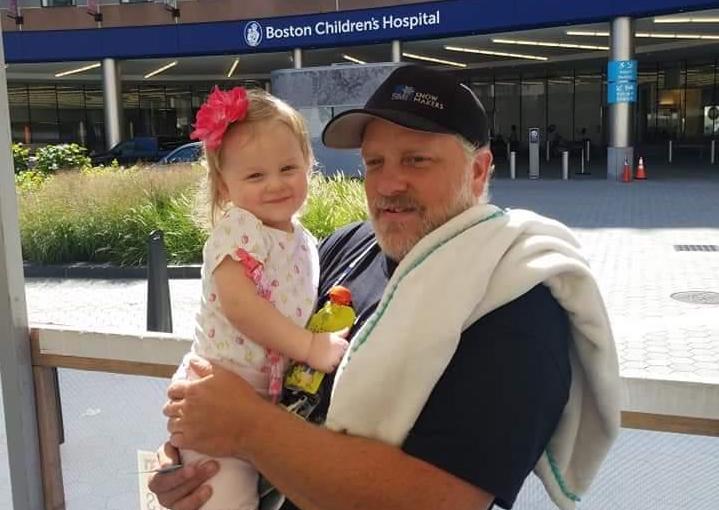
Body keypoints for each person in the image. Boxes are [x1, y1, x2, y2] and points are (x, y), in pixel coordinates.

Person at [151, 66, 620, 510]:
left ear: (478, 172)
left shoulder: (515, 304)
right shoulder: (341, 249)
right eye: (374, 162)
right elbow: (250, 355)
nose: (389, 183)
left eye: (416, 160)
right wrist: (191, 459)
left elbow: (440, 500)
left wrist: (245, 428)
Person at [172, 85, 349, 510]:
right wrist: (309, 346)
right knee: (227, 500)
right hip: (217, 392)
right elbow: (242, 307)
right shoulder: (240, 230)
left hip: (260, 400)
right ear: (223, 186)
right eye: (255, 175)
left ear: (309, 164)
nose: (275, 184)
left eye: (288, 167)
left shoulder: (304, 241)